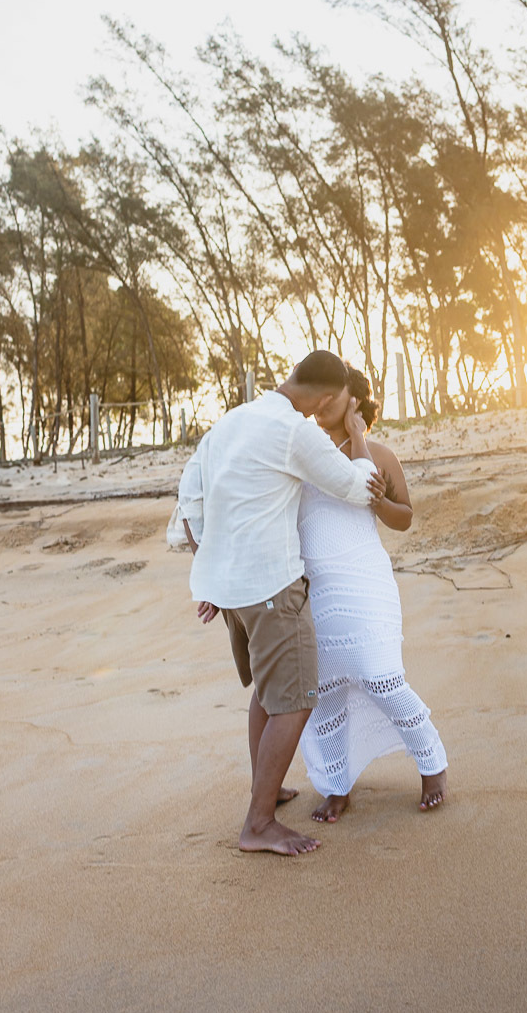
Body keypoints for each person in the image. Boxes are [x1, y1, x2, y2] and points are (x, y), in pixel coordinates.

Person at [177, 351, 385, 857]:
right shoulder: (296, 430)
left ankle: (265, 790)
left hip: (233, 594)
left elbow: (190, 497)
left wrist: (211, 574)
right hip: (273, 588)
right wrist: (361, 443)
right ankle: (259, 823)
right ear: (329, 397)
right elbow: (356, 487)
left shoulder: (232, 421)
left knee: (269, 694)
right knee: (295, 700)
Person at [297, 365, 448, 822]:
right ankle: (336, 785)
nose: (320, 406)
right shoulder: (304, 451)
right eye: (317, 398)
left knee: (382, 678)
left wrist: (377, 492)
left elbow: (403, 517)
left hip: (365, 583)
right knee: (325, 692)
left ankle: (432, 763)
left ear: (355, 402)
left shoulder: (379, 453)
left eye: (332, 398)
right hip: (317, 585)